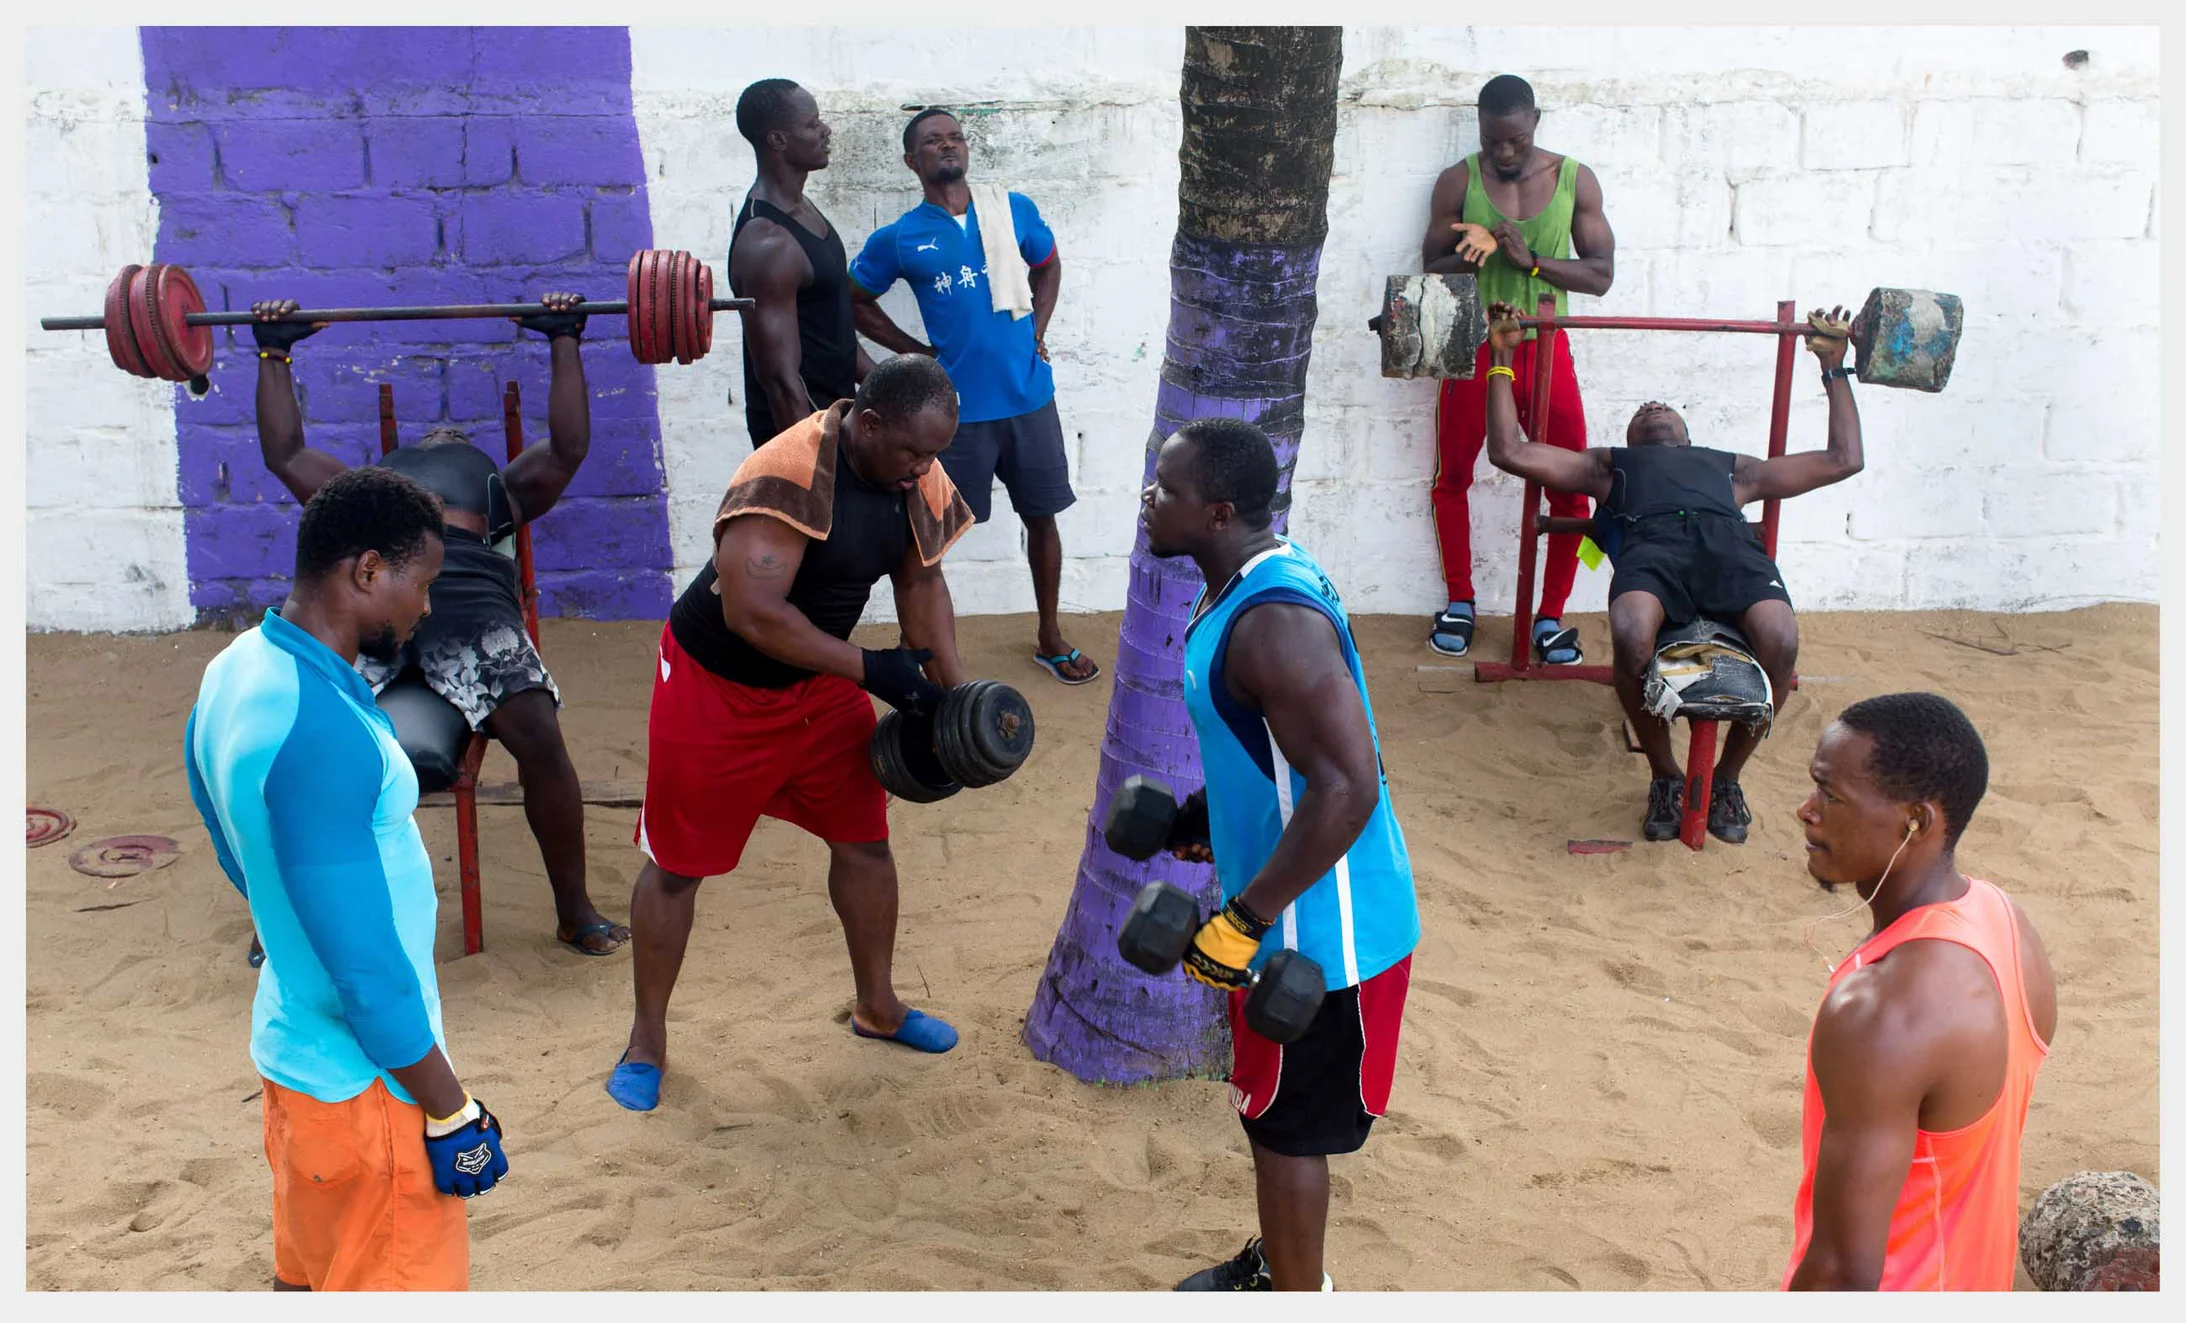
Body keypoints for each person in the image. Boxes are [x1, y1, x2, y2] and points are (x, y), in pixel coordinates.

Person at [607, 354, 976, 1113]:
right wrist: (874, 670)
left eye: (934, 453)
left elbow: (921, 582)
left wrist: (956, 703)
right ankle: (647, 1039)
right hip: (716, 686)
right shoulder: (788, 472)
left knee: (866, 841)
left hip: (815, 684)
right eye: (912, 451)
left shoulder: (916, 471)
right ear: (868, 424)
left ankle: (878, 1006)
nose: (924, 468)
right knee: (677, 866)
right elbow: (754, 614)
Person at [184, 466, 510, 1291]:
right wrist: (450, 1106)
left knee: (309, 1282)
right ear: (367, 571)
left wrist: (289, 921)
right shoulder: (318, 726)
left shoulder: (238, 668)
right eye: (422, 583)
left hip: (294, 1056)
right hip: (370, 1090)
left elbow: (227, 835)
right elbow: (367, 976)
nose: (426, 607)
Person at [248, 294, 630, 957]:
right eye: (431, 438)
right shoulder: (365, 493)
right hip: (371, 611)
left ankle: (575, 910)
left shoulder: (497, 490)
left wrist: (565, 336)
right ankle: (282, 914)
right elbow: (285, 452)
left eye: (454, 437)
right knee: (301, 738)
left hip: (473, 614)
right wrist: (272, 349)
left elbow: (569, 446)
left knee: (538, 730)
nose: (442, 435)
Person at [1140, 418, 1421, 1292]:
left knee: (1288, 1127)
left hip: (1321, 935)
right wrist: (1201, 819)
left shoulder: (1274, 624)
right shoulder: (1237, 585)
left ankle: (1301, 1295)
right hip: (1284, 907)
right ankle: (1281, 1264)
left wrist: (1245, 918)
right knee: (1268, 1112)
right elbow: (1275, 757)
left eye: (1168, 490)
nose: (1151, 499)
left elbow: (1349, 783)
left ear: (1218, 511)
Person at [1480, 299, 1864, 843]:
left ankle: (1728, 779)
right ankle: (1665, 775)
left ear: (1686, 436)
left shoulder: (1732, 470)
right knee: (1632, 631)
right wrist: (1502, 360)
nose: (1654, 405)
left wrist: (1832, 365)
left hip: (1730, 553)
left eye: (1664, 406)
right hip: (1652, 554)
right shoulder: (1607, 466)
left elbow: (1844, 458)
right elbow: (1509, 450)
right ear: (1633, 436)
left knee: (1781, 638)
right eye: (1643, 409)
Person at [1784, 693, 2055, 1290]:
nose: (1807, 811)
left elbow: (1841, 1272)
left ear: (1918, 821)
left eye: (1831, 795)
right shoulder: (2007, 923)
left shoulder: (1880, 1012)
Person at [848, 107, 1099, 687]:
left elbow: (1048, 263)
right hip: (954, 418)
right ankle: (929, 656)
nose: (947, 146)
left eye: (955, 137)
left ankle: (1050, 637)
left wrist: (1037, 329)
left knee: (1043, 519)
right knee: (926, 539)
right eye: (932, 141)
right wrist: (918, 353)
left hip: (1028, 400)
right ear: (913, 161)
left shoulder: (1011, 210)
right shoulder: (900, 238)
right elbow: (855, 298)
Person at [1419, 73, 1615, 664]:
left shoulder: (1574, 179)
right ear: (1480, 128)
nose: (1505, 153)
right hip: (1473, 345)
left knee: (1573, 484)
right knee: (1453, 475)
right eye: (1494, 141)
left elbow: (1601, 276)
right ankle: (1460, 602)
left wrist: (1531, 263)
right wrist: (1470, 251)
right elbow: (1430, 267)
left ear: (1535, 124)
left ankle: (1550, 616)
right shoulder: (1458, 180)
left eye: (1517, 142)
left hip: (1546, 346)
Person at [728, 78, 871, 446]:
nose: (825, 131)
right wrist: (815, 467)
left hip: (835, 422)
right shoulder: (768, 243)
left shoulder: (804, 212)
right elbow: (780, 380)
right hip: (801, 438)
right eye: (812, 124)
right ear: (777, 140)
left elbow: (831, 331)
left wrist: (888, 386)